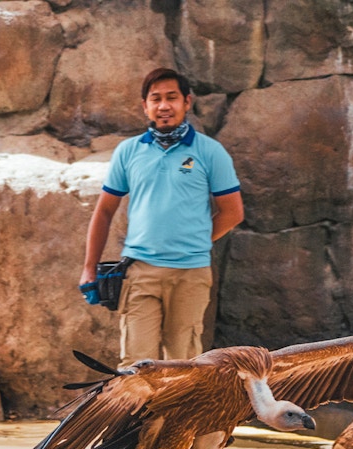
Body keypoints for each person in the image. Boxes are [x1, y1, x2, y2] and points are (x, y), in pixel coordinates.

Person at [79, 67, 244, 368]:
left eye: (172, 98)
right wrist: (89, 268)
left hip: (190, 274)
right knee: (134, 366)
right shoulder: (128, 152)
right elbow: (104, 211)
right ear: (145, 106)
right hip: (140, 272)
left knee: (183, 366)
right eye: (156, 99)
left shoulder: (210, 151)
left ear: (187, 102)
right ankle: (139, 418)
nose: (164, 105)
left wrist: (192, 240)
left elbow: (233, 212)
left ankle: (175, 418)